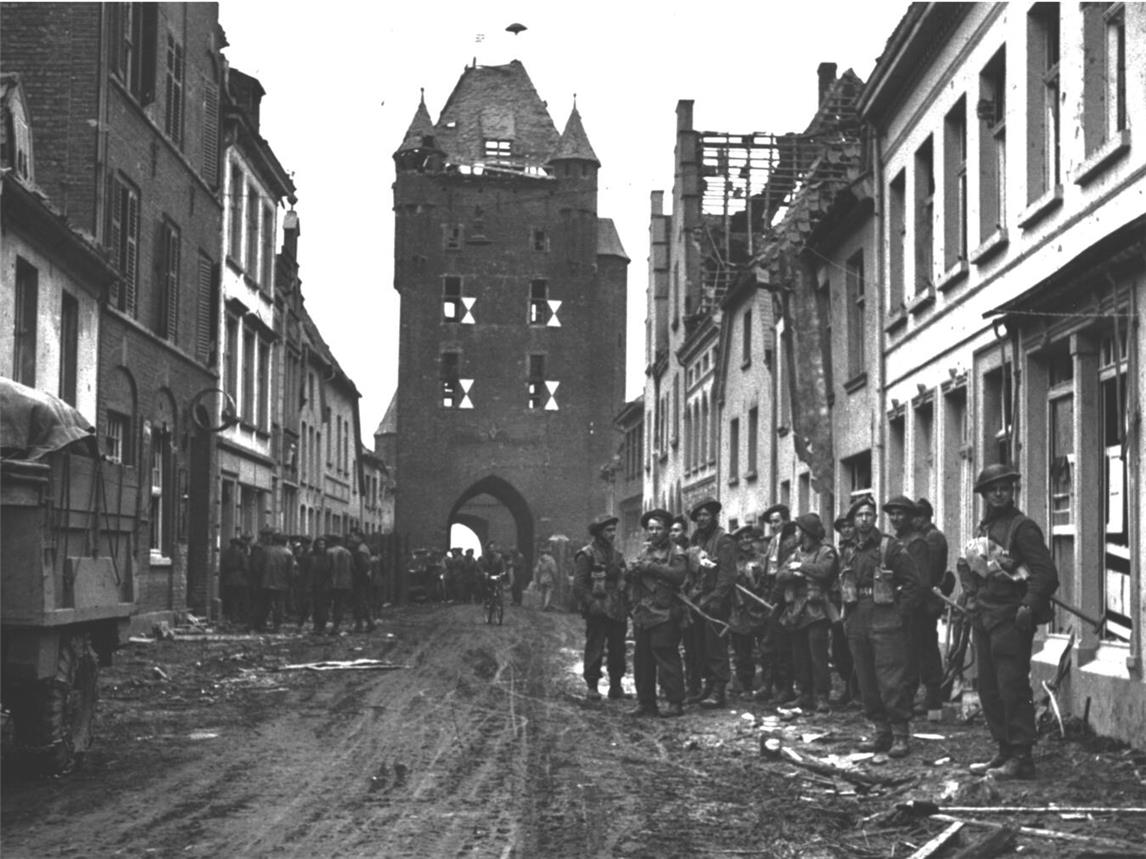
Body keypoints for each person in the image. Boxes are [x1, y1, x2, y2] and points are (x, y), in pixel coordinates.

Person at [960, 464, 1059, 780]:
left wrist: (1028, 606)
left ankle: (1021, 756)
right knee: (989, 689)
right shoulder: (983, 529)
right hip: (985, 617)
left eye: (1005, 487)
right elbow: (973, 569)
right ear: (984, 495)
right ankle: (1004, 749)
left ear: (1012, 491)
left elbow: (1046, 574)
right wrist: (972, 597)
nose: (999, 493)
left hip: (1010, 619)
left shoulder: (1023, 528)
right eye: (993, 489)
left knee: (1012, 686)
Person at [841, 495, 922, 759]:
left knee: (891, 679)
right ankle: (880, 731)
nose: (864, 519)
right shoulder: (849, 549)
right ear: (853, 520)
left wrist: (899, 614)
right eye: (859, 515)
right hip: (858, 619)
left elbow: (913, 584)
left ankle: (900, 734)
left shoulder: (890, 547)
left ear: (875, 518)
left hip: (886, 619)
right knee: (866, 679)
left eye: (869, 514)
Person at [624, 509, 687, 717]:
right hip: (644, 612)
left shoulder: (676, 552)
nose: (654, 532)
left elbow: (678, 576)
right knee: (642, 660)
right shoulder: (644, 552)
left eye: (658, 528)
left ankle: (675, 702)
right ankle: (646, 702)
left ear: (668, 530)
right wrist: (633, 571)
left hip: (665, 612)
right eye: (650, 528)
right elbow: (634, 574)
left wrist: (650, 567)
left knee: (666, 656)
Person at [777, 513, 839, 713]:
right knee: (800, 655)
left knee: (818, 655)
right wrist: (794, 574)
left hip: (817, 609)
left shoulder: (826, 551)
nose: (795, 534)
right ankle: (805, 694)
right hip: (797, 609)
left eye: (798, 530)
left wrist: (801, 568)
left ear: (806, 533)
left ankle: (822, 696)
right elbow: (780, 574)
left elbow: (824, 571)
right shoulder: (796, 552)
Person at [572, 515, 628, 702]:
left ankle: (616, 685)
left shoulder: (617, 556)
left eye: (613, 530)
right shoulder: (586, 555)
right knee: (595, 647)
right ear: (598, 533)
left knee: (618, 649)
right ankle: (592, 685)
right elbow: (579, 584)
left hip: (617, 608)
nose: (612, 534)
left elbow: (624, 579)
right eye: (608, 531)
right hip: (597, 608)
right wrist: (591, 602)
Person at [688, 497, 736, 709]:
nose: (702, 519)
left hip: (717, 601)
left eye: (706, 515)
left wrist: (716, 598)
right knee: (701, 646)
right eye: (698, 516)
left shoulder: (724, 540)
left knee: (716, 646)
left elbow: (727, 574)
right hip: (698, 600)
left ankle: (719, 690)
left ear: (714, 516)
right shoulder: (697, 539)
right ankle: (708, 686)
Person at [907, 497, 948, 715]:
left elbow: (928, 572)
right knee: (920, 648)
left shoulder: (933, 538)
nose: (913, 522)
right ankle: (928, 698)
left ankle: (932, 699)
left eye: (917, 517)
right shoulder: (926, 537)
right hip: (921, 601)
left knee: (926, 650)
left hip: (926, 602)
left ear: (924, 518)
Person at [756, 503, 798, 705]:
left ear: (785, 521)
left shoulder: (790, 542)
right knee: (768, 644)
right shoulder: (773, 541)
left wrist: (776, 598)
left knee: (782, 645)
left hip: (783, 596)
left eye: (776, 521)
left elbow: (784, 573)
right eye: (771, 522)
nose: (773, 525)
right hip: (771, 594)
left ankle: (785, 688)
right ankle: (769, 684)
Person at [726, 525, 769, 700]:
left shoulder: (761, 559)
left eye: (748, 538)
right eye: (741, 538)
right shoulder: (731, 561)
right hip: (739, 612)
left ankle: (766, 685)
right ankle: (745, 685)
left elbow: (766, 582)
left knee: (766, 650)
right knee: (742, 652)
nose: (745, 541)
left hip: (759, 610)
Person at [829, 513, 858, 708]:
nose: (846, 530)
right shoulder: (839, 550)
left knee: (856, 650)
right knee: (840, 650)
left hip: (855, 603)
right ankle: (849, 686)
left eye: (849, 526)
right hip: (839, 601)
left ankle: (857, 692)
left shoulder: (858, 548)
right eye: (842, 527)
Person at [255, 532, 295, 633]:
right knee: (279, 605)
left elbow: (258, 566)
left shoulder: (265, 550)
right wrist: (290, 582)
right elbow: (290, 571)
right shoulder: (288, 553)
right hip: (281, 583)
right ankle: (276, 626)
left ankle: (261, 624)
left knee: (264, 604)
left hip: (265, 581)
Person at [348, 529, 375, 632]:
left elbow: (363, 566)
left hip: (360, 579)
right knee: (361, 601)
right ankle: (369, 623)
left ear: (359, 537)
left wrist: (356, 573)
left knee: (359, 602)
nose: (351, 538)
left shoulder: (360, 550)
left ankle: (361, 624)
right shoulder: (363, 548)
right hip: (363, 578)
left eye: (352, 536)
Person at [327, 534, 354, 635]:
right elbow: (352, 567)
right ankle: (336, 625)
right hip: (345, 583)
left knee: (329, 604)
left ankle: (330, 625)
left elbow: (327, 568)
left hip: (332, 583)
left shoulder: (329, 552)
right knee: (340, 604)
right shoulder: (347, 552)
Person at [219, 536, 249, 626]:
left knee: (231, 599)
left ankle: (232, 616)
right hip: (240, 579)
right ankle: (239, 617)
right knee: (241, 599)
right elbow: (245, 567)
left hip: (228, 579)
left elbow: (223, 567)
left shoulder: (225, 553)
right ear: (239, 545)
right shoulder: (241, 554)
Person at [308, 536, 331, 634]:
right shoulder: (312, 556)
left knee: (324, 606)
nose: (321, 546)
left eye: (323, 544)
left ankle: (322, 625)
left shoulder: (328, 556)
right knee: (315, 606)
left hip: (325, 585)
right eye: (319, 544)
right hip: (314, 584)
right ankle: (316, 625)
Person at [533, 543, 558, 612]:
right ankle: (546, 605)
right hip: (549, 579)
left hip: (542, 579)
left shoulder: (540, 560)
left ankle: (542, 604)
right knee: (548, 592)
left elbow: (537, 570)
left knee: (542, 593)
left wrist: (536, 580)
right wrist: (555, 579)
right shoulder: (551, 560)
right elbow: (554, 571)